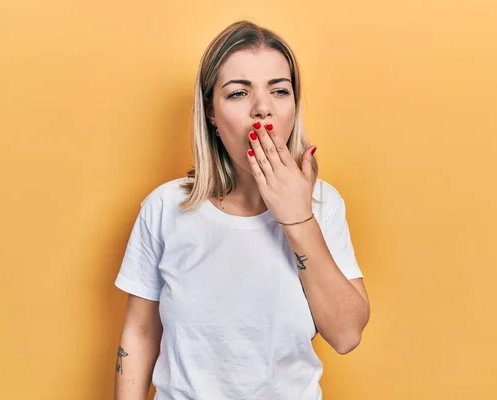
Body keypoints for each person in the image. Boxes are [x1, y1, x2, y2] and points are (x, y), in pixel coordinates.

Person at [114, 20, 370, 400]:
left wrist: (296, 217)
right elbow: (140, 333)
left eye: (280, 91)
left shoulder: (324, 205)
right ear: (212, 113)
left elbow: (346, 334)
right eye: (238, 94)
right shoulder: (166, 208)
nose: (262, 109)